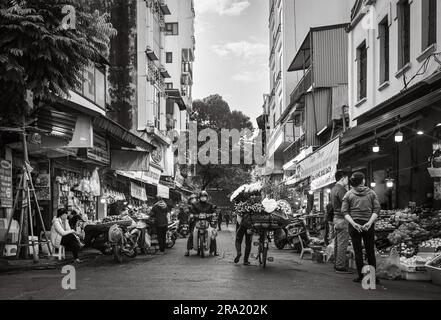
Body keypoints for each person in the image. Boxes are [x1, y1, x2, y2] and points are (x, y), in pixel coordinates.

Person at [342, 172, 380, 283]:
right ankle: (372, 277)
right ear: (363, 181)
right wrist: (369, 222)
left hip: (354, 225)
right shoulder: (372, 193)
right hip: (368, 224)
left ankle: (361, 276)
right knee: (370, 251)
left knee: (357, 251)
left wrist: (354, 224)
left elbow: (344, 211)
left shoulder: (348, 194)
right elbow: (377, 209)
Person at [331, 170, 351, 274]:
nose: (348, 181)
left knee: (338, 243)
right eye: (347, 178)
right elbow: (346, 204)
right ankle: (340, 266)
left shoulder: (333, 189)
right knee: (342, 243)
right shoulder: (341, 189)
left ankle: (337, 264)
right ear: (343, 178)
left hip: (336, 218)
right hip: (342, 219)